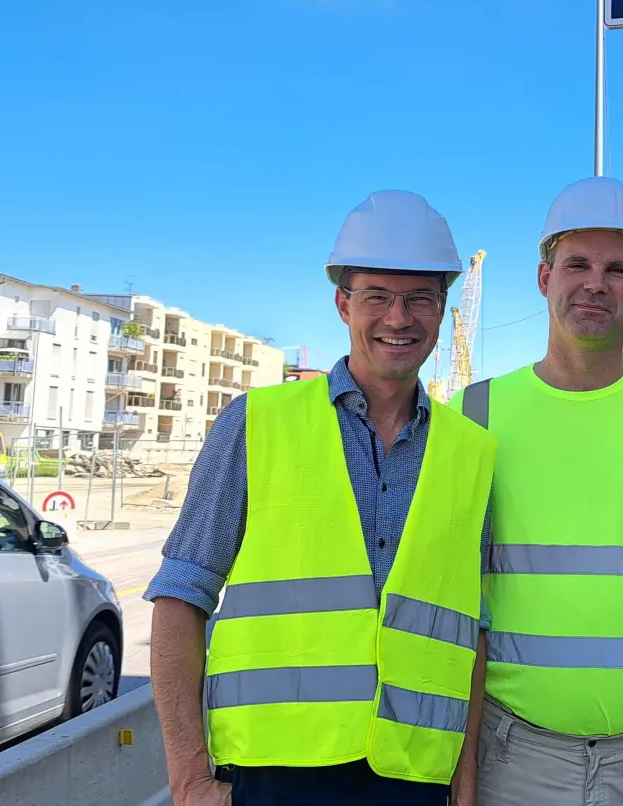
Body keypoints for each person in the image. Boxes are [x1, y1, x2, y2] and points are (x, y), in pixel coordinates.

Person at [146, 190, 499, 806]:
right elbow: (181, 597)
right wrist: (188, 780)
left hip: (414, 779)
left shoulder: (472, 454)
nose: (398, 318)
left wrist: (464, 787)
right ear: (343, 303)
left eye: (419, 298)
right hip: (272, 776)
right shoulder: (256, 423)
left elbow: (472, 633)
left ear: (443, 309)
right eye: (377, 297)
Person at [447, 176, 623, 806]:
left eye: (617, 268)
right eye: (577, 263)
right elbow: (457, 608)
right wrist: (462, 774)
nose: (595, 283)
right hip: (512, 757)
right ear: (544, 277)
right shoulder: (476, 415)